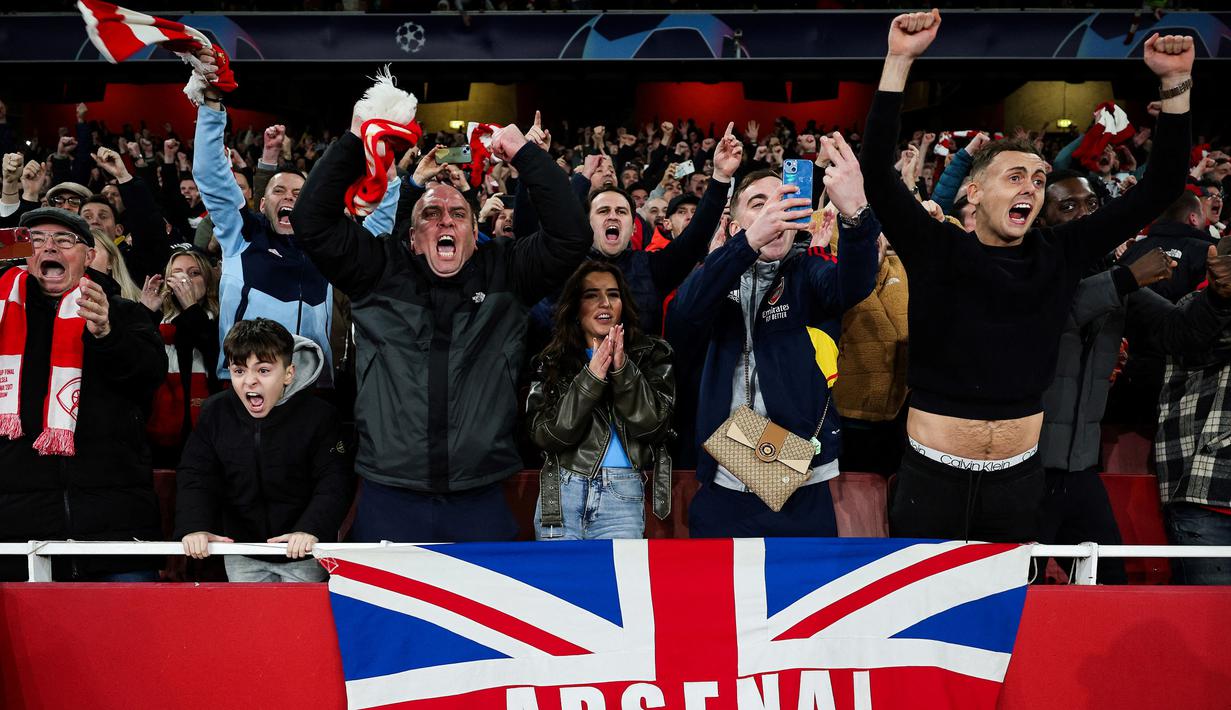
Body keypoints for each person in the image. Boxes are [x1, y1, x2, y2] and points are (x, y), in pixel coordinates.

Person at [861, 10, 1193, 542]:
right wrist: (900, 59)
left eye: (1038, 180)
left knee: (1008, 621)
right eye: (1014, 176)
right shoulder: (935, 247)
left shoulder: (1060, 253)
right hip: (932, 482)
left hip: (1019, 484)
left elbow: (1161, 187)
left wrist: (1175, 85)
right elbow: (877, 174)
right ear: (973, 192)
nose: (1030, 188)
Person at [290, 100, 591, 543]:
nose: (444, 221)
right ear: (412, 239)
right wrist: (356, 140)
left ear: (474, 232)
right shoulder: (379, 271)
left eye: (458, 214)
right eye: (430, 216)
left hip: (481, 497)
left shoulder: (506, 271)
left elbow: (571, 236)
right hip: (388, 497)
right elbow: (311, 221)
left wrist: (525, 155)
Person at [667, 135, 879, 538]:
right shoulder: (717, 274)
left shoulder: (806, 271)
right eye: (759, 205)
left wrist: (857, 215)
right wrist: (742, 247)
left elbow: (851, 286)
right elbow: (685, 315)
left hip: (799, 483)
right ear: (734, 225)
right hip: (724, 479)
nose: (774, 212)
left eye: (783, 201)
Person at [1036, 171, 1231, 583]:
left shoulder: (1116, 277)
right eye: (1067, 207)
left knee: (1110, 585)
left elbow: (1179, 334)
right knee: (1011, 592)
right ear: (1041, 219)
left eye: (1091, 206)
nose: (1084, 215)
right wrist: (1124, 278)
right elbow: (1054, 314)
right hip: (1023, 472)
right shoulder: (1028, 269)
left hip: (1079, 471)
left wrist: (1216, 295)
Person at [0, 208, 165, 581]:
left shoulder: (124, 314)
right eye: (37, 240)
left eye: (64, 240)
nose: (48, 247)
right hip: (19, 535)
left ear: (90, 256)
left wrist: (107, 334)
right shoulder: (1, 318)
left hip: (115, 532)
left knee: (127, 638)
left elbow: (149, 376)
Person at [175, 318, 352, 582]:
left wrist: (310, 529)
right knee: (252, 623)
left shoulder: (320, 417)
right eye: (239, 371)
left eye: (263, 371)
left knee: (299, 623)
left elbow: (334, 480)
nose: (250, 382)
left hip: (303, 553)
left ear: (288, 373)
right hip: (242, 552)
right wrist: (195, 526)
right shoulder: (215, 413)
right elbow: (195, 475)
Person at [527, 261, 675, 540]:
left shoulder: (651, 354)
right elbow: (548, 436)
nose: (604, 302)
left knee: (617, 583)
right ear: (575, 307)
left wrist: (621, 370)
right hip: (561, 493)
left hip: (623, 494)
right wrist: (591, 377)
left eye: (613, 294)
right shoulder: (551, 361)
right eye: (591, 294)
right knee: (557, 584)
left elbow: (653, 426)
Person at [1155, 236, 1231, 584]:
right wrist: (1218, 298)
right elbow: (1192, 344)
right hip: (1209, 498)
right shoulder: (1194, 309)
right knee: (1208, 634)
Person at [139, 246, 221, 466]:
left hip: (208, 434)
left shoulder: (222, 318)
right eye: (176, 274)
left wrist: (191, 307)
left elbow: (215, 353)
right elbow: (136, 365)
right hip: (158, 432)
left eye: (194, 273)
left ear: (208, 280)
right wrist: (145, 312)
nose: (185, 279)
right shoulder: (158, 320)